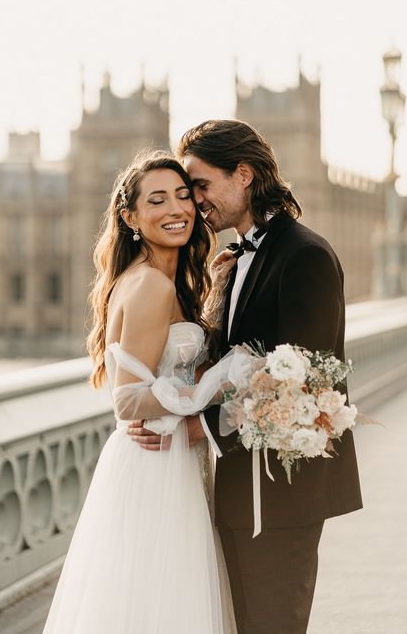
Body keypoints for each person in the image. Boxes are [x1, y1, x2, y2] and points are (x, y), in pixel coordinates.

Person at [129, 120, 363, 634]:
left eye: (201, 186)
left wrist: (200, 428)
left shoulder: (305, 255)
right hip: (237, 489)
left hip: (283, 494)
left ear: (244, 174)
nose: (194, 203)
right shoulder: (235, 260)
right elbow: (229, 364)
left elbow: (308, 381)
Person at [42, 150, 237, 633]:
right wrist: (229, 380)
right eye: (157, 200)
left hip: (156, 453)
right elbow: (128, 400)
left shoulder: (153, 280)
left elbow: (165, 367)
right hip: (159, 461)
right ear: (129, 217)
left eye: (183, 195)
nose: (177, 209)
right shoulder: (151, 285)